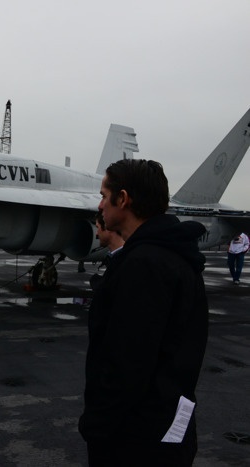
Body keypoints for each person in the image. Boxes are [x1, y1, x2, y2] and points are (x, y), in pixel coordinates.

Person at [79, 159, 208, 466]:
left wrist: (97, 425)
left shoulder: (144, 265)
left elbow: (127, 362)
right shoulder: (173, 257)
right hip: (164, 425)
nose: (100, 205)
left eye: (103, 195)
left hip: (136, 439)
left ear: (122, 199)